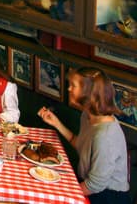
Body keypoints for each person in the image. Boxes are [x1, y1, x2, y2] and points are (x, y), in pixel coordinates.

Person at [38, 67, 130, 204]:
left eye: (73, 85)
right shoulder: (87, 116)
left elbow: (95, 185)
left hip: (106, 197)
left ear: (88, 93)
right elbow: (81, 144)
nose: (69, 89)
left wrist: (61, 193)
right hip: (88, 185)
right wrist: (56, 123)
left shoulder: (105, 135)